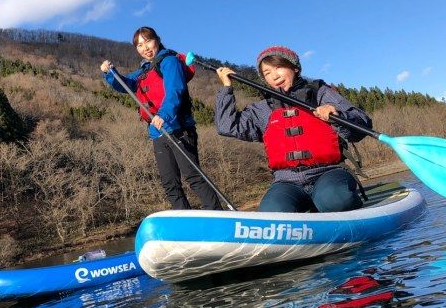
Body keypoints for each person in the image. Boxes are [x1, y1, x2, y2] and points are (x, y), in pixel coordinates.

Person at [214, 45, 372, 212]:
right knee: (272, 212)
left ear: (295, 68)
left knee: (334, 200)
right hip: (287, 182)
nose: (274, 76)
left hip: (329, 173)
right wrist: (226, 88)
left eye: (278, 67)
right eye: (267, 73)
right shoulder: (262, 109)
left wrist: (338, 115)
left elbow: (362, 124)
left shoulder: (321, 94)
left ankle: (333, 204)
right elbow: (226, 126)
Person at [100, 26, 221, 210]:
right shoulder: (143, 71)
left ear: (157, 39)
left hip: (178, 127)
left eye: (148, 41)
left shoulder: (169, 61)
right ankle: (183, 219)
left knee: (193, 176)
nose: (145, 48)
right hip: (157, 133)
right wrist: (110, 73)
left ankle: (216, 213)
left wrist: (163, 114)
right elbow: (126, 84)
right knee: (169, 183)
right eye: (140, 45)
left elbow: (175, 90)